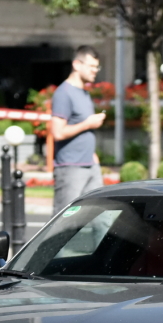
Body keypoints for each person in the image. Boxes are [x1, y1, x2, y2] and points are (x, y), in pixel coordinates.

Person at [50, 46, 107, 212]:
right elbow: (58, 132)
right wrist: (88, 124)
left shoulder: (84, 93)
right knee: (64, 223)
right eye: (91, 66)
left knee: (101, 219)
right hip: (70, 168)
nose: (95, 71)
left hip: (90, 165)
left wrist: (93, 157)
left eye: (97, 67)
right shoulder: (63, 93)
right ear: (76, 64)